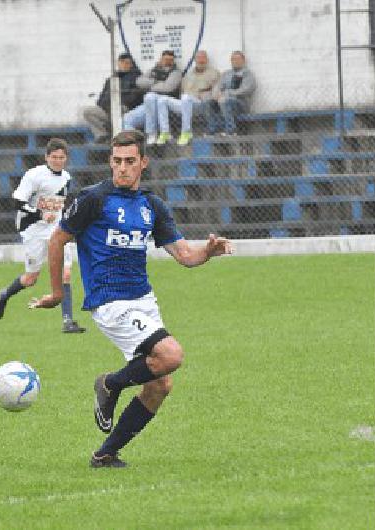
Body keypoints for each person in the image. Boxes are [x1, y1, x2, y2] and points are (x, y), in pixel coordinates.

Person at [31, 130, 232, 468]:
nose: (121, 168)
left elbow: (185, 255)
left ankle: (106, 453)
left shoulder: (152, 205)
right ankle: (109, 384)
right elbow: (56, 241)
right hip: (110, 301)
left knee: (160, 386)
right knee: (171, 354)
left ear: (143, 162)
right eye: (116, 161)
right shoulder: (93, 199)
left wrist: (208, 252)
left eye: (129, 162)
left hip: (143, 301)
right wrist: (55, 292)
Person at [0, 138, 85, 333]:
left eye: (61, 157)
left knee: (66, 273)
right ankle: (4, 295)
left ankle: (68, 321)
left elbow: (60, 204)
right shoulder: (34, 175)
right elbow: (18, 202)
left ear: (66, 159)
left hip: (56, 230)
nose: (58, 161)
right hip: (33, 229)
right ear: (46, 157)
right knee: (30, 279)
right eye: (54, 157)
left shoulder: (67, 178)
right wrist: (40, 214)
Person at [155, 50, 220, 146]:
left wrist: (207, 96)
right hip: (186, 104)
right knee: (162, 100)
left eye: (203, 58)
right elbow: (182, 91)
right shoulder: (188, 75)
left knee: (186, 98)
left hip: (201, 104)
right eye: (198, 58)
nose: (201, 60)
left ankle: (186, 132)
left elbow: (216, 93)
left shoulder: (214, 73)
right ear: (195, 60)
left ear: (207, 60)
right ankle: (165, 132)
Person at [122, 50, 182, 145]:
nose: (168, 62)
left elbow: (168, 88)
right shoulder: (154, 70)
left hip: (165, 106)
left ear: (173, 61)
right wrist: (155, 82)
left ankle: (151, 134)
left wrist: (149, 85)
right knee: (126, 119)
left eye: (170, 60)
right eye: (165, 59)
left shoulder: (176, 72)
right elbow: (139, 82)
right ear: (161, 59)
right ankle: (136, 144)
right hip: (149, 105)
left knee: (150, 96)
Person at [83, 53, 144, 143]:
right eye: (122, 62)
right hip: (108, 109)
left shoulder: (136, 78)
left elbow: (133, 99)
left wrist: (117, 105)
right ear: (118, 63)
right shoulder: (111, 79)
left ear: (131, 64)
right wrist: (108, 106)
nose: (124, 65)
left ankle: (120, 137)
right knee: (88, 111)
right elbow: (101, 100)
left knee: (120, 109)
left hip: (126, 111)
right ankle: (102, 136)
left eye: (127, 63)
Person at [204, 51, 257, 136]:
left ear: (243, 60)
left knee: (225, 101)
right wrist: (216, 95)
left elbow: (246, 90)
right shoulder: (226, 74)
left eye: (237, 59)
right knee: (209, 103)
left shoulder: (247, 74)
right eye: (233, 59)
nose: (235, 61)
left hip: (241, 104)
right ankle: (213, 130)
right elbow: (218, 86)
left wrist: (227, 94)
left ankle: (231, 130)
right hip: (223, 101)